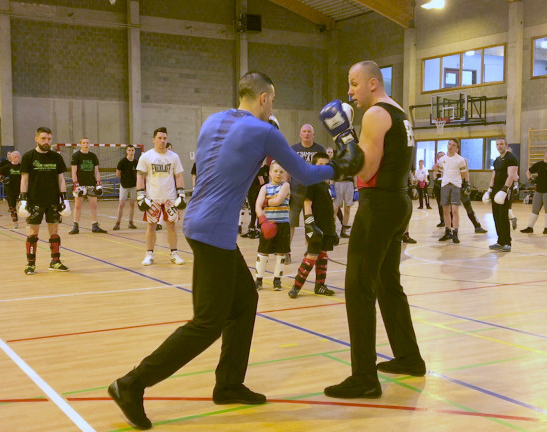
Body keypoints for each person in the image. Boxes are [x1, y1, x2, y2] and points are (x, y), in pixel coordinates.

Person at [108, 71, 361, 430]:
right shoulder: (265, 131)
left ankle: (228, 384)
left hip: (203, 224)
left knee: (244, 302)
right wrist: (338, 166)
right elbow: (303, 174)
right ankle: (131, 384)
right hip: (213, 230)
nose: (272, 106)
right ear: (263, 98)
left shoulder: (213, 121)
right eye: (272, 100)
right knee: (207, 323)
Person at [322, 61, 425, 399]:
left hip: (378, 204)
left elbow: (365, 170)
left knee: (358, 287)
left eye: (353, 83)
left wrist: (343, 138)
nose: (349, 91)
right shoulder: (400, 113)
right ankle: (410, 358)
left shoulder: (375, 115)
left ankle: (364, 378)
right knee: (386, 283)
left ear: (371, 82)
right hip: (399, 202)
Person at [19, 127, 71, 275]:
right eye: (43, 138)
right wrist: (23, 199)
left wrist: (64, 198)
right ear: (36, 139)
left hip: (53, 200)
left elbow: (61, 179)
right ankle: (30, 264)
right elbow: (24, 179)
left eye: (49, 139)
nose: (46, 141)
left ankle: (55, 262)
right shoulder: (28, 156)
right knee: (33, 233)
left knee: (54, 233)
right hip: (35, 200)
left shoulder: (56, 157)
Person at [288, 153, 337, 298]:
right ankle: (297, 285)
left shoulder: (326, 185)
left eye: (326, 166)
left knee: (323, 255)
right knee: (312, 255)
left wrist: (333, 229)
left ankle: (320, 285)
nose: (323, 169)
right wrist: (310, 225)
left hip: (327, 226)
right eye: (319, 165)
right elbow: (307, 203)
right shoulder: (311, 183)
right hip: (316, 226)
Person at [137, 127, 186, 266]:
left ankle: (174, 253)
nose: (162, 141)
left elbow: (179, 176)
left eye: (164, 138)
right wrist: (140, 195)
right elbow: (140, 176)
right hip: (153, 197)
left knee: (171, 225)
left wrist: (181, 193)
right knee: (151, 225)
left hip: (170, 197)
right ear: (153, 139)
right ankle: (149, 254)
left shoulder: (174, 156)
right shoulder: (146, 156)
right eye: (159, 138)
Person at [254, 160, 290, 290]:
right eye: (275, 171)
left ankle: (277, 280)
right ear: (269, 173)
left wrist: (266, 202)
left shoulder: (285, 186)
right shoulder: (264, 188)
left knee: (281, 253)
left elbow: (278, 201)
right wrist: (263, 220)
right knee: (263, 252)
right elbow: (257, 206)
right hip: (267, 223)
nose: (278, 174)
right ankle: (259, 279)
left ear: (285, 174)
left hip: (282, 224)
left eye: (281, 172)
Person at [289, 124, 326, 244]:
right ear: (300, 134)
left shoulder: (320, 149)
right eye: (304, 131)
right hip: (295, 192)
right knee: (290, 223)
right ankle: (286, 251)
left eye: (309, 131)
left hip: (312, 193)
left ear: (313, 134)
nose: (306, 134)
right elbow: (288, 169)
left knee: (310, 224)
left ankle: (309, 251)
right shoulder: (293, 149)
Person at [484, 138, 519, 252]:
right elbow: (494, 175)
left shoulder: (511, 158)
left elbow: (511, 175)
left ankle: (507, 242)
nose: (499, 146)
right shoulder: (497, 160)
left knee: (503, 216)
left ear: (506, 145)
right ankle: (500, 241)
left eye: (501, 144)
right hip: (495, 190)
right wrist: (489, 189)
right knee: (496, 216)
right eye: (497, 144)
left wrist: (505, 190)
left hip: (504, 191)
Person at [520, 148, 547, 234]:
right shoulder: (539, 164)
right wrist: (530, 179)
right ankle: (530, 227)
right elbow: (528, 171)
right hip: (539, 190)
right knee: (535, 209)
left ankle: (546, 228)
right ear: (544, 154)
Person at [69, 137, 107, 234]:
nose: (86, 144)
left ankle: (95, 225)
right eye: (84, 143)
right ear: (80, 144)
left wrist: (98, 182)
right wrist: (75, 183)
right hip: (80, 184)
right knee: (77, 206)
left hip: (91, 183)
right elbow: (73, 171)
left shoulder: (93, 156)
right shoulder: (76, 156)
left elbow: (96, 171)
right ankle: (75, 226)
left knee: (94, 205)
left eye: (88, 143)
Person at [437, 138, 469, 244]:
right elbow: (441, 172)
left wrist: (457, 181)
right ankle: (447, 231)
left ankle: (455, 232)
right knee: (445, 210)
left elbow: (463, 174)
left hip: (455, 185)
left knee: (455, 210)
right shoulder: (442, 159)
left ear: (457, 148)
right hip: (445, 185)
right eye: (449, 144)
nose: (450, 146)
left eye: (453, 145)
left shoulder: (460, 160)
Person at [242, 159, 269, 239]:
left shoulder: (262, 169)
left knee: (257, 209)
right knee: (252, 211)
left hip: (257, 190)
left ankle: (258, 229)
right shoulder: (252, 168)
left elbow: (262, 182)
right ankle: (251, 228)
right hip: (251, 189)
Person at [0, 151, 22, 228]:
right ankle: (15, 222)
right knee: (12, 207)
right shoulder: (7, 166)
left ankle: (29, 221)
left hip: (21, 189)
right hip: (10, 189)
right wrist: (1, 179)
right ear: (11, 158)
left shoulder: (22, 166)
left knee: (25, 206)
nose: (17, 158)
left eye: (18, 157)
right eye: (15, 157)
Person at [114, 145, 139, 230]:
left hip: (133, 186)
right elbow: (117, 174)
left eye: (132, 150)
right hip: (124, 186)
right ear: (126, 151)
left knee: (132, 204)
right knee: (121, 204)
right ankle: (117, 223)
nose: (131, 152)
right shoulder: (122, 162)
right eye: (129, 150)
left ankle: (131, 222)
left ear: (134, 151)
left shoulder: (136, 162)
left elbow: (138, 174)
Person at [433, 151, 445, 227]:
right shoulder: (435, 166)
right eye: (440, 156)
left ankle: (450, 221)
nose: (441, 157)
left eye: (443, 155)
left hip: (446, 186)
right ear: (437, 158)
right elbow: (434, 176)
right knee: (440, 205)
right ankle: (442, 221)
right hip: (438, 187)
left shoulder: (448, 165)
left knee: (447, 205)